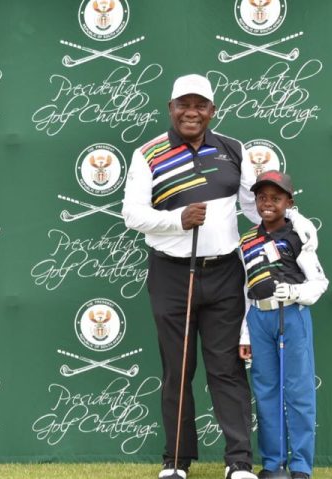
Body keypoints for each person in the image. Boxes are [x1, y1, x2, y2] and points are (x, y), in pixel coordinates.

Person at [121, 74, 317, 479]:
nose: (191, 112)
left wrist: (296, 222)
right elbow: (132, 215)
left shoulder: (231, 149)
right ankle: (175, 462)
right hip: (171, 275)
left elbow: (253, 206)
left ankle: (239, 462)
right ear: (171, 108)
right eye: (183, 104)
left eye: (200, 105)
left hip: (225, 272)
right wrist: (176, 219)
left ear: (213, 110)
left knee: (226, 368)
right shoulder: (148, 154)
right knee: (178, 369)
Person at [238, 170, 328, 479]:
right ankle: (272, 463)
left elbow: (319, 282)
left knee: (299, 390)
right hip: (259, 317)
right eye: (262, 197)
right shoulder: (247, 239)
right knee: (265, 391)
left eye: (275, 198)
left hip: (292, 314)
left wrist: (294, 292)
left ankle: (301, 465)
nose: (267, 203)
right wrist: (244, 332)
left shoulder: (298, 235)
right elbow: (244, 289)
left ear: (288, 202)